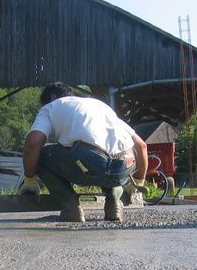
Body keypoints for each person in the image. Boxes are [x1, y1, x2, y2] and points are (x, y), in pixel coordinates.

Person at [20, 82, 148, 223]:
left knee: (42, 154)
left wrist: (30, 179)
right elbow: (141, 146)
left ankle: (71, 209)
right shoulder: (99, 106)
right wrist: (138, 181)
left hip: (91, 161)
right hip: (125, 165)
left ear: (52, 97)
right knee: (107, 156)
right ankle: (114, 203)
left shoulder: (50, 107)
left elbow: (32, 144)